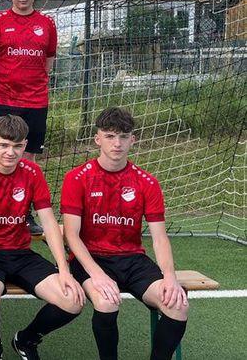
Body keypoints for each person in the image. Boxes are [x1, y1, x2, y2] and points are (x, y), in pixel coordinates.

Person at [62, 107, 188, 360]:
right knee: (107, 302)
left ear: (133, 139)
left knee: (178, 305)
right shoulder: (77, 178)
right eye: (110, 136)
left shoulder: (147, 182)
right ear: (98, 139)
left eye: (123, 136)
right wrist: (97, 275)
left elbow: (159, 237)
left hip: (132, 259)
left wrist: (170, 277)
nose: (117, 143)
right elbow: (71, 235)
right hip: (91, 259)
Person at [0, 115, 83, 360]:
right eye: (4, 145)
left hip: (21, 254)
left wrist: (64, 270)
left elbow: (48, 222)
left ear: (25, 145)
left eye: (17, 146)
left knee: (73, 300)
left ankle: (26, 339)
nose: (10, 152)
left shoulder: (32, 172)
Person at [0, 0, 58, 235]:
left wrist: (33, 84)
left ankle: (23, 213)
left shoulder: (46, 24)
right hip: (1, 100)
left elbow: (48, 61)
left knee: (28, 158)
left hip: (35, 102)